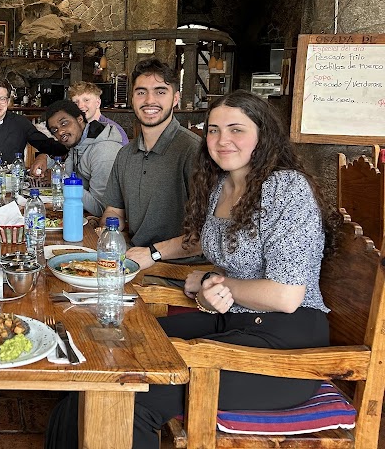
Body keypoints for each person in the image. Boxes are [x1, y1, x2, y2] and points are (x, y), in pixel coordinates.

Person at [46, 90, 342, 449]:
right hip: (234, 321)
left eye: (236, 130)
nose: (222, 140)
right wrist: (156, 255)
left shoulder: (285, 188)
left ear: (263, 134)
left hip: (284, 350)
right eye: (214, 130)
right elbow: (206, 240)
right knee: (103, 343)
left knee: (131, 396)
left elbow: (286, 295)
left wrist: (208, 281)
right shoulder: (225, 185)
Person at [101, 59, 202, 270]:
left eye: (160, 92)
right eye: (141, 92)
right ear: (132, 99)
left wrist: (153, 253)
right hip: (135, 259)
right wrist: (110, 232)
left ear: (175, 99)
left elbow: (209, 235)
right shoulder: (125, 154)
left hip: (181, 270)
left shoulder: (193, 151)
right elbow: (114, 211)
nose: (149, 100)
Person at [33, 99, 123, 216]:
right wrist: (44, 158)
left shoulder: (104, 152)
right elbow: (69, 173)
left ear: (79, 119)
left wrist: (59, 179)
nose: (60, 132)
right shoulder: (78, 143)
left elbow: (101, 209)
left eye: (64, 123)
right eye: (54, 130)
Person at [0, 79, 65, 164]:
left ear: (8, 102)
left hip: (15, 179)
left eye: (2, 99)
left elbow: (45, 145)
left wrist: (69, 145)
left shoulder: (21, 123)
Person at [68, 81, 129, 146]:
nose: (80, 106)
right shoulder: (77, 130)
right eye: (75, 102)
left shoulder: (113, 131)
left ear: (98, 103)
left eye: (86, 100)